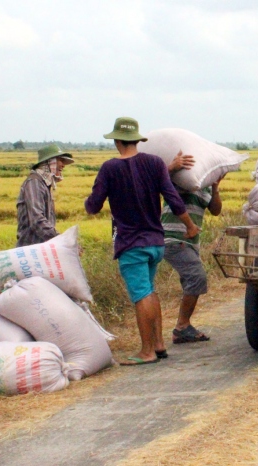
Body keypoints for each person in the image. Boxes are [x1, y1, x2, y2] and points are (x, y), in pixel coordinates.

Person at [85, 117, 199, 366]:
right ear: (137, 140)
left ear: (116, 141)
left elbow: (93, 206)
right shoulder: (156, 163)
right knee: (149, 290)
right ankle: (158, 345)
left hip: (132, 244)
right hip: (156, 242)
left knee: (141, 294)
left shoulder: (109, 169)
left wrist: (90, 199)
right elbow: (173, 198)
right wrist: (189, 225)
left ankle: (146, 351)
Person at [161, 151, 223, 344]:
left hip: (190, 241)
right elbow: (155, 179)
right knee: (197, 277)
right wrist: (172, 167)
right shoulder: (178, 179)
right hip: (174, 238)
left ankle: (183, 327)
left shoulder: (202, 185)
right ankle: (182, 327)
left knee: (190, 280)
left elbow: (215, 210)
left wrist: (215, 187)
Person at [16, 144, 73, 247]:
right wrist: (61, 240)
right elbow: (37, 220)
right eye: (60, 160)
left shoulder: (44, 184)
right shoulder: (34, 183)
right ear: (49, 162)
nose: (63, 165)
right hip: (30, 250)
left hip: (41, 249)